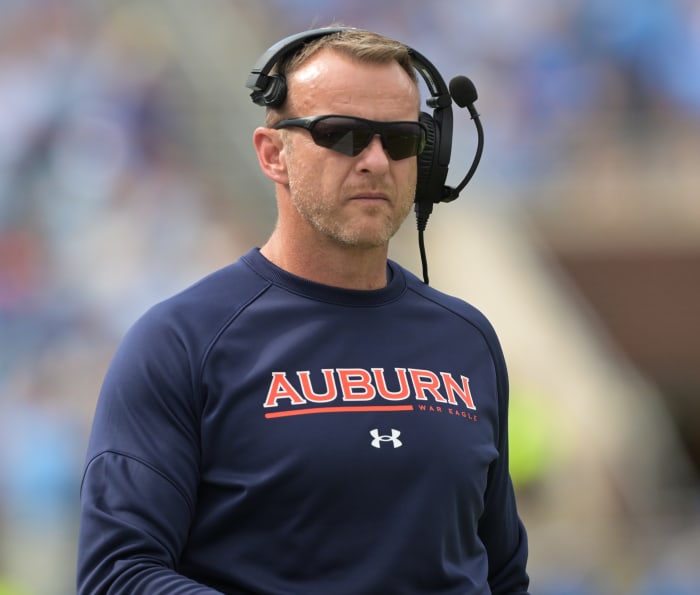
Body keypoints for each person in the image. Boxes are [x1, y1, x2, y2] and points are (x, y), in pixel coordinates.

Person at [77, 26, 530, 594]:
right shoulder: (180, 341)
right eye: (341, 134)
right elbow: (118, 575)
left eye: (401, 140)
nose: (375, 161)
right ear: (273, 154)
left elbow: (503, 573)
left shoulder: (468, 338)